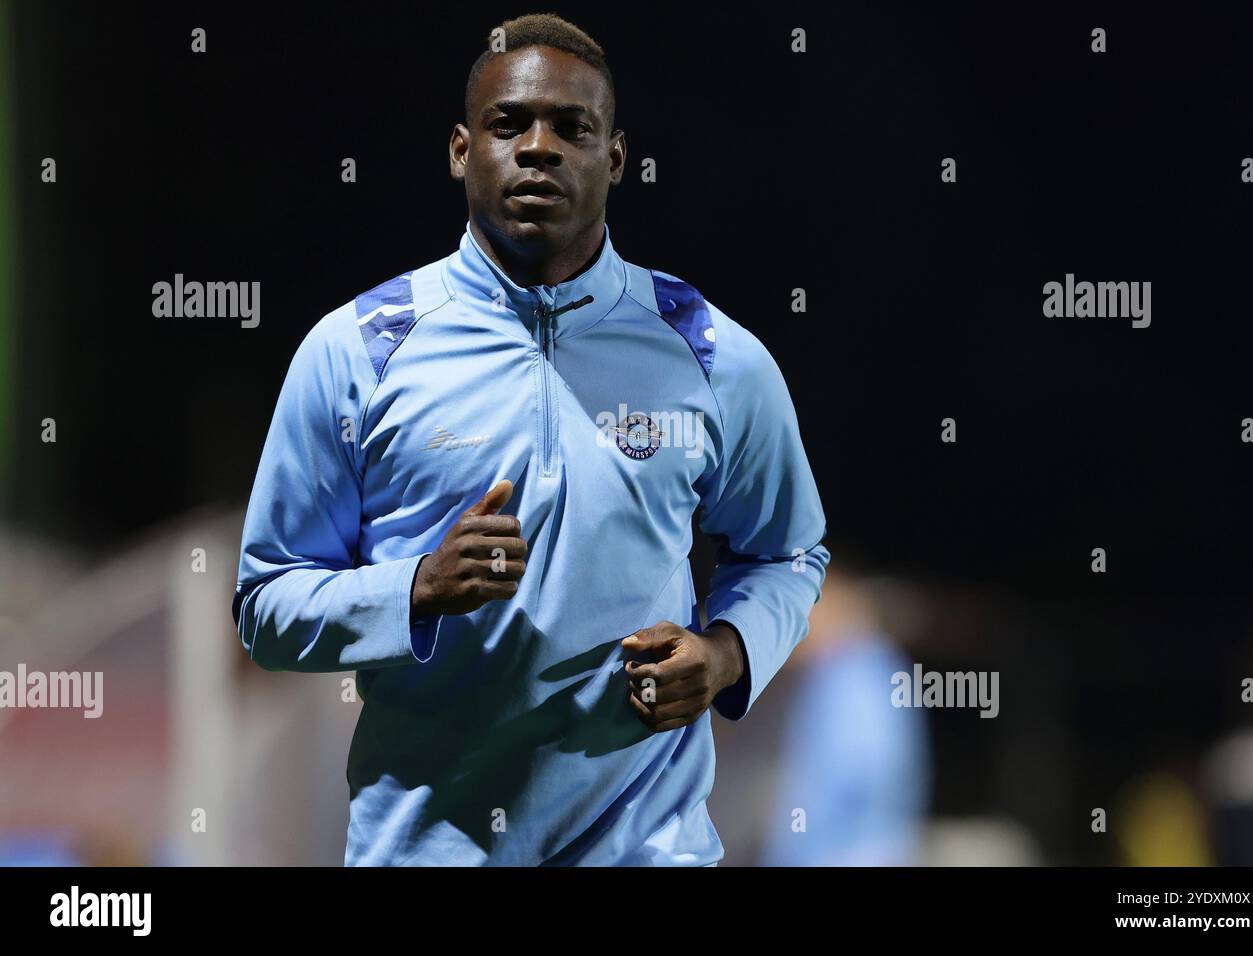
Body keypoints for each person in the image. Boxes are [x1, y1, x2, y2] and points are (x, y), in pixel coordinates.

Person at [231, 12, 829, 865]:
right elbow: (266, 607)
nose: (539, 148)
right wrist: (414, 590)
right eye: (509, 124)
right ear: (460, 150)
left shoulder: (711, 353)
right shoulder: (356, 350)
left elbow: (790, 553)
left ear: (614, 158)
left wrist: (727, 653)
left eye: (571, 127)